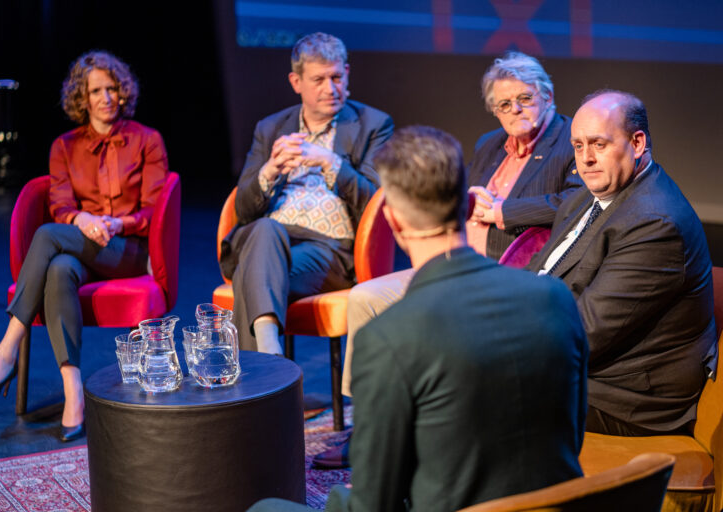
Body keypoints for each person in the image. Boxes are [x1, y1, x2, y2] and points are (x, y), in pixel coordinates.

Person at [249, 126, 588, 512]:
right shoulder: (555, 298)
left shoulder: (388, 335)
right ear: (467, 205)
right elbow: (571, 438)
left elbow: (375, 505)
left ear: (393, 223)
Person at [315, 51, 581, 468]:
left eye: (524, 99)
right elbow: (458, 193)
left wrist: (501, 212)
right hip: (449, 259)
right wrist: (469, 199)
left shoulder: (568, 141)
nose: (515, 111)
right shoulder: (489, 145)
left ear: (547, 95)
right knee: (364, 297)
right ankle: (365, 423)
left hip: (502, 271)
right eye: (503, 104)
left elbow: (574, 202)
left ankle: (416, 426)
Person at [0, 51, 169, 442]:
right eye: (96, 91)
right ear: (83, 97)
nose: (107, 97)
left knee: (45, 235)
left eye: (112, 89)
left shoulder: (147, 140)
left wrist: (113, 222)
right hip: (82, 248)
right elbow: (59, 204)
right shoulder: (65, 146)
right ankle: (74, 394)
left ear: (123, 93)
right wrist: (82, 219)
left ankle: (8, 347)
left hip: (127, 251)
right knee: (58, 270)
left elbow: (152, 210)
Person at [528, 90, 717, 436]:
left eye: (598, 145)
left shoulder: (656, 223)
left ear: (637, 142)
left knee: (473, 387)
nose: (584, 159)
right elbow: (538, 274)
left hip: (624, 398)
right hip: (579, 361)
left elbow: (585, 332)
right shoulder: (582, 201)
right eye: (578, 145)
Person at [219, 32, 394, 354]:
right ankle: (272, 367)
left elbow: (376, 204)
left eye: (337, 77)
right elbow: (243, 211)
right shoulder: (271, 127)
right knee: (265, 229)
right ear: (296, 81)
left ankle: (266, 372)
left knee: (253, 273)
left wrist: (332, 163)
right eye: (319, 80)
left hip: (326, 251)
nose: (331, 88)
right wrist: (269, 171)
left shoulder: (373, 125)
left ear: (347, 73)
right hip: (267, 238)